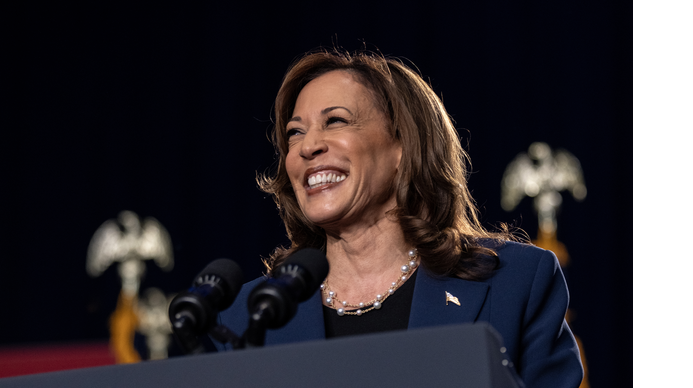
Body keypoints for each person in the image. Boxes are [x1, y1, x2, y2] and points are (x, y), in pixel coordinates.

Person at [215, 48, 583, 387]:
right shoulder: (244, 317)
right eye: (295, 133)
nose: (308, 146)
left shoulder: (515, 284)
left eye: (336, 121)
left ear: (403, 147)